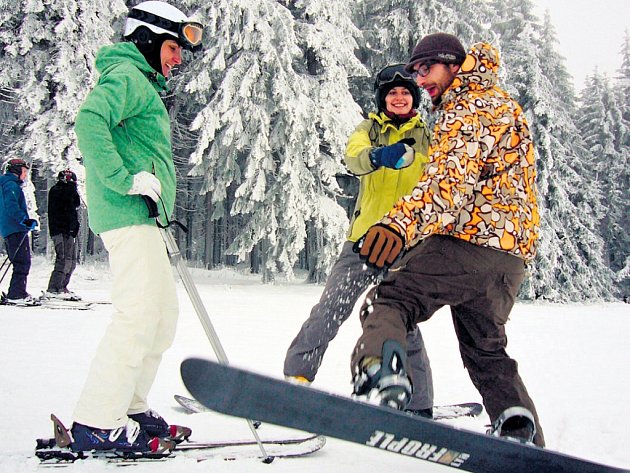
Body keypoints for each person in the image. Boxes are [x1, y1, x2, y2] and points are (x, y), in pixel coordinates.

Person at [350, 33, 545, 447]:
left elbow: (448, 184)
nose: (420, 80)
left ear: (452, 64)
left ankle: (379, 374)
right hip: (509, 259)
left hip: (468, 244)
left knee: (390, 300)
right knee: (486, 350)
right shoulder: (502, 103)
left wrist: (398, 224)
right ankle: (518, 429)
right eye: (415, 72)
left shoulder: (467, 106)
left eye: (425, 69)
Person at [70, 1, 203, 454]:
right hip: (128, 216)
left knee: (161, 317)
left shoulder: (139, 83)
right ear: (145, 39)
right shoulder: (127, 77)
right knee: (138, 314)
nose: (177, 59)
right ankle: (95, 420)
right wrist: (124, 180)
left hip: (146, 219)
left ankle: (130, 405)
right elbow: (88, 122)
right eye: (171, 47)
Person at [284, 64, 436, 416]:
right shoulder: (368, 129)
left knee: (401, 321)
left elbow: (440, 176)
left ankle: (419, 405)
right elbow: (353, 157)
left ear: (414, 98)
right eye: (392, 94)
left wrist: (414, 160)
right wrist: (379, 155)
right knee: (328, 310)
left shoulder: (427, 135)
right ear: (383, 100)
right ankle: (296, 380)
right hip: (363, 242)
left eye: (405, 93)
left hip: (406, 245)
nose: (399, 98)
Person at [0, 158, 39, 306]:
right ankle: (16, 294)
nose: (25, 174)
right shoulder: (10, 185)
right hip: (14, 228)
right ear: (16, 171)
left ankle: (16, 292)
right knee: (22, 262)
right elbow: (11, 206)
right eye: (24, 171)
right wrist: (25, 220)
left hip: (11, 228)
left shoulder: (9, 184)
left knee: (20, 261)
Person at [44, 169, 81, 300]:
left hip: (69, 231)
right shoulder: (57, 190)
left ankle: (63, 286)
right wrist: (70, 188)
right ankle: (54, 288)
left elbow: (75, 203)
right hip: (60, 231)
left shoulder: (68, 192)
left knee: (71, 261)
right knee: (63, 260)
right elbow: (66, 203)